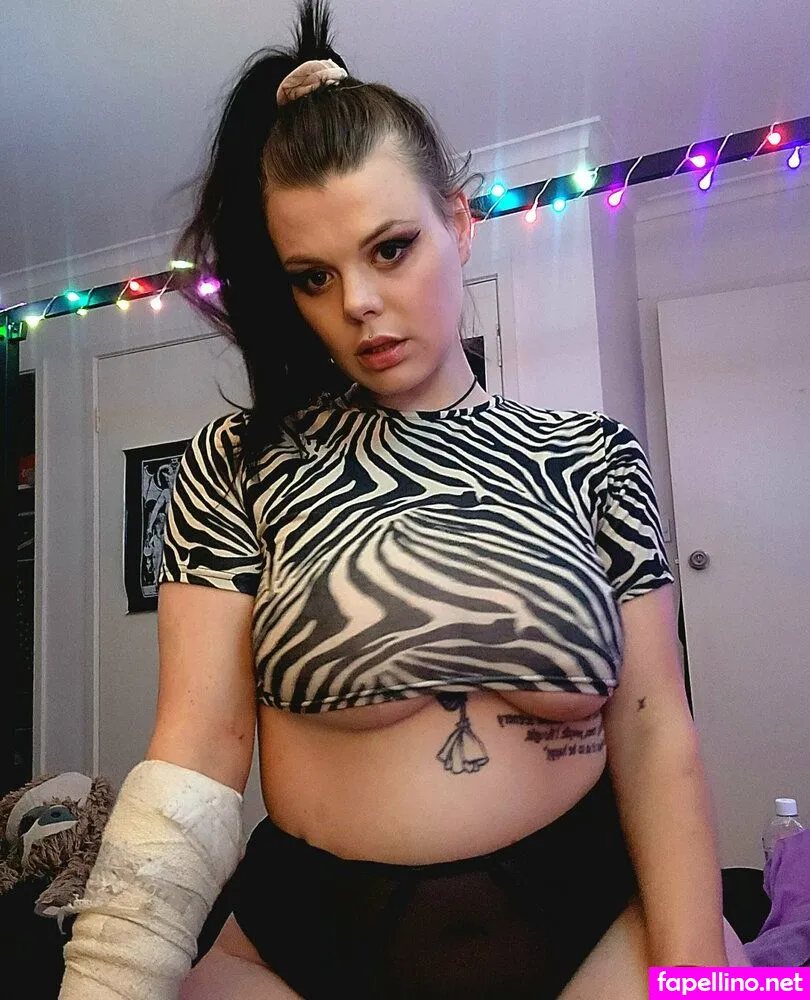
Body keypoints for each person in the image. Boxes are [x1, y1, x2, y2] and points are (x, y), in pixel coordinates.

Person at [59, 1, 750, 997]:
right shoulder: (237, 463)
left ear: (459, 224)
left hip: (593, 917)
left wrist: (697, 980)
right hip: (308, 942)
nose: (358, 304)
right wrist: (105, 977)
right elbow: (196, 752)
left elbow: (653, 729)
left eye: (390, 248)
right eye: (313, 276)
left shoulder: (596, 458)